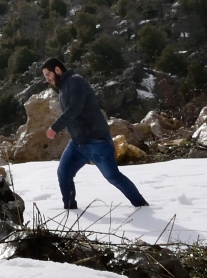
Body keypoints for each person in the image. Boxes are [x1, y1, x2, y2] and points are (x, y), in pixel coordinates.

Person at [41, 58, 149, 210]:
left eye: (47, 75)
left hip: (96, 141)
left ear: (57, 70)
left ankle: (142, 205)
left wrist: (55, 127)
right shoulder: (64, 87)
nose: (47, 79)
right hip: (78, 143)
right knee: (63, 173)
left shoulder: (75, 81)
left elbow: (75, 109)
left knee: (113, 177)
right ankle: (70, 210)